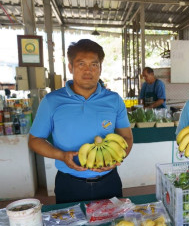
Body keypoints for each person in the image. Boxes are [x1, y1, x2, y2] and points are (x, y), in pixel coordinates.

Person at [28, 39, 133, 204]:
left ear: (100, 68)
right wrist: (62, 156)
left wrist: (116, 160)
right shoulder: (52, 101)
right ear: (70, 67)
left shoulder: (114, 100)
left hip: (109, 181)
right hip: (69, 183)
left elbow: (127, 138)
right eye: (81, 64)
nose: (88, 71)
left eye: (94, 64)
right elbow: (34, 140)